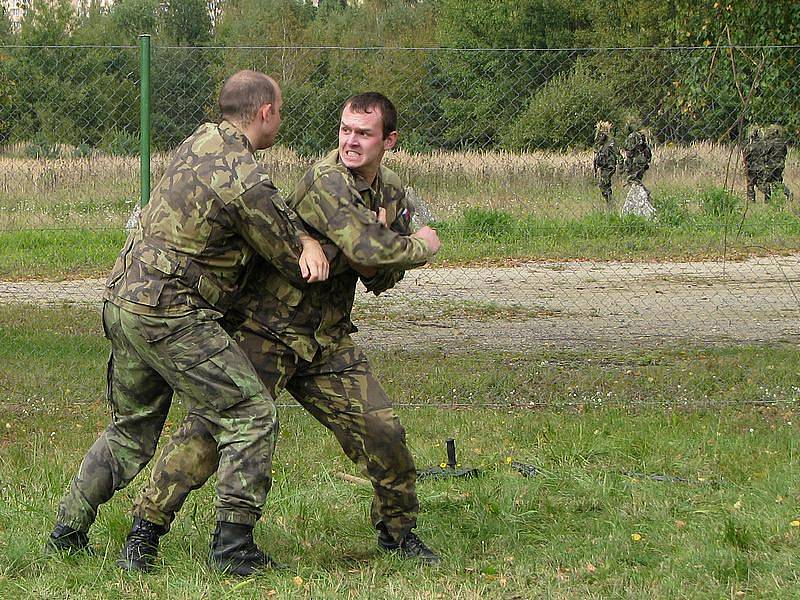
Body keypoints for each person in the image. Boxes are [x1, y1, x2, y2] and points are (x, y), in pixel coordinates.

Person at [119, 92, 443, 575]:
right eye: (345, 130)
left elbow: (378, 277)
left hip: (326, 338)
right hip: (268, 328)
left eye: (364, 133)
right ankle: (145, 529)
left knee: (383, 431)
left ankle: (397, 532)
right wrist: (416, 244)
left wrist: (381, 249)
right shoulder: (328, 180)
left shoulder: (391, 191)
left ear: (389, 140)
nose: (351, 142)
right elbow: (372, 253)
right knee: (209, 431)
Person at [46, 71, 330, 569]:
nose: (279, 120)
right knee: (250, 414)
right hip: (169, 313)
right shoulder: (244, 174)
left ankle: (67, 530)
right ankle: (232, 546)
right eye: (280, 111)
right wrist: (310, 241)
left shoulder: (200, 139)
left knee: (132, 429)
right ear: (264, 112)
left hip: (123, 298)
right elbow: (291, 256)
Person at [762, 124, 793, 202]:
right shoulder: (783, 143)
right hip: (780, 165)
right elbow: (785, 153)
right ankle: (787, 193)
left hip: (771, 165)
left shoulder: (771, 142)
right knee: (777, 182)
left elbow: (765, 152)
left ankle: (767, 200)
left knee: (766, 182)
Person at [593, 121, 620, 208]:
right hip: (605, 166)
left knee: (603, 185)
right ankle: (610, 203)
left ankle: (610, 203)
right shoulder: (608, 141)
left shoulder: (609, 140)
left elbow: (617, 153)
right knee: (605, 185)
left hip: (609, 166)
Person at [743, 124, 769, 203]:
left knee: (750, 184)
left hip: (751, 168)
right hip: (761, 167)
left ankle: (751, 200)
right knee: (761, 184)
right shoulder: (764, 145)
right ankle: (768, 196)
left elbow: (745, 157)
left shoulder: (750, 146)